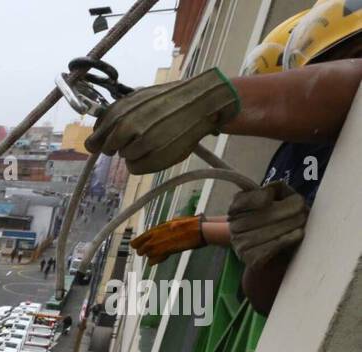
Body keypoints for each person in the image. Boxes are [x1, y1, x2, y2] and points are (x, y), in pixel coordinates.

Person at [90, 2, 362, 313]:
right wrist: (245, 244)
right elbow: (263, 290)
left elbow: (346, 89)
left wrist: (211, 101)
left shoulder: (320, 143)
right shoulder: (296, 152)